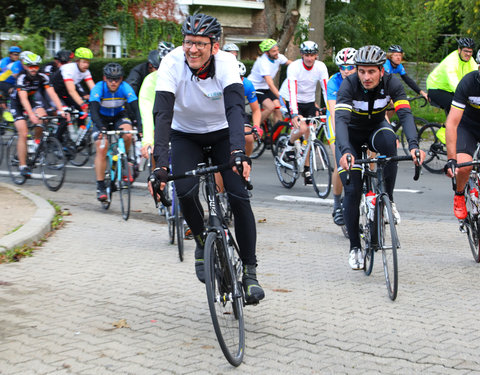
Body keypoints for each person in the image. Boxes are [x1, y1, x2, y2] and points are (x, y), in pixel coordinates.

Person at [150, 13, 264, 304]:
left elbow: (236, 109)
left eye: (201, 43)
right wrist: (159, 165)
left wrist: (239, 152)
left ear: (215, 46)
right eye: (189, 42)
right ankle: (202, 240)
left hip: (223, 133)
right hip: (185, 134)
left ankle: (250, 272)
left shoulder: (226, 64)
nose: (193, 49)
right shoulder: (172, 63)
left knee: (239, 195)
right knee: (185, 190)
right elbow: (162, 116)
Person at [335, 45, 424, 270]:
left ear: (381, 71)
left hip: (376, 128)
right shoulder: (349, 85)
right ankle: (355, 247)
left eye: (371, 72)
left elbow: (404, 114)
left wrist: (414, 146)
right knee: (353, 190)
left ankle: (389, 199)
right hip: (351, 136)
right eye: (362, 71)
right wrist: (345, 151)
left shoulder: (392, 83)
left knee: (389, 143)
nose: (366, 77)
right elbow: (342, 122)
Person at [277, 41, 329, 185]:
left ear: (316, 55)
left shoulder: (321, 67)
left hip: (309, 102)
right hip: (292, 100)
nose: (309, 58)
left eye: (312, 55)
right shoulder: (295, 67)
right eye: (306, 55)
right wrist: (294, 113)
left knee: (309, 136)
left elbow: (326, 90)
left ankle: (306, 169)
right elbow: (292, 92)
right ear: (302, 55)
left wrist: (331, 109)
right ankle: (289, 144)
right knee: (303, 128)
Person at [9, 52, 69, 177]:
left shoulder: (42, 76)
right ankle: (23, 165)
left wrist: (61, 109)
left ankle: (36, 143)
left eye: (36, 66)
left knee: (43, 118)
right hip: (17, 103)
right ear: (24, 66)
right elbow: (23, 99)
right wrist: (31, 115)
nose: (33, 69)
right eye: (30, 66)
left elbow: (52, 93)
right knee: (23, 133)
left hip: (32, 101)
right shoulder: (22, 77)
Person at [90, 63, 143, 201]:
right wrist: (101, 127)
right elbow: (93, 111)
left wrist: (141, 127)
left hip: (119, 116)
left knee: (128, 133)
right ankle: (100, 186)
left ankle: (122, 157)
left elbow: (135, 109)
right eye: (110, 79)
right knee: (102, 147)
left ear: (121, 79)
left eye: (117, 79)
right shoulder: (98, 88)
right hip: (101, 119)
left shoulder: (125, 87)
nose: (113, 82)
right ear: (104, 78)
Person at [326, 47, 357, 226]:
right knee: (341, 164)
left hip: (356, 122)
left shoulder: (362, 79)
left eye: (350, 67)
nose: (345, 71)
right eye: (342, 67)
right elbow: (333, 109)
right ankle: (337, 203)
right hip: (337, 122)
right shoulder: (334, 81)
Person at [444, 69, 480, 220]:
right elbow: (451, 123)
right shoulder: (469, 82)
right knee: (464, 165)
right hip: (467, 126)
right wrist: (452, 159)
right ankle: (459, 194)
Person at [427, 37, 478, 115]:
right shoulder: (451, 61)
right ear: (459, 50)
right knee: (458, 107)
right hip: (436, 89)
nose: (468, 54)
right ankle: (448, 126)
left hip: (451, 90)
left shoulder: (471, 61)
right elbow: (453, 83)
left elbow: (477, 77)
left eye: (470, 52)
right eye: (465, 51)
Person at [247, 38, 291, 125]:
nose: (277, 52)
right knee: (270, 107)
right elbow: (270, 83)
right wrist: (280, 96)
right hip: (254, 87)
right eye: (274, 51)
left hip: (265, 88)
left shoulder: (278, 57)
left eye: (277, 50)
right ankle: (254, 127)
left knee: (278, 108)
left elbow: (292, 64)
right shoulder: (263, 62)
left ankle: (277, 136)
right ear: (267, 53)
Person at [51, 47, 95, 117]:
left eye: (88, 62)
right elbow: (71, 90)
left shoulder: (86, 71)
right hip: (53, 92)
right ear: (77, 61)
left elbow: (94, 89)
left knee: (81, 111)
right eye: (84, 62)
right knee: (65, 115)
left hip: (64, 92)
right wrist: (82, 104)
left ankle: (81, 128)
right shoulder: (68, 69)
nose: (86, 65)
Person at [238, 61, 261, 156]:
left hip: (237, 112)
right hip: (219, 114)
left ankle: (246, 163)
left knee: (248, 138)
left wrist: (256, 126)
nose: (239, 80)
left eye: (241, 77)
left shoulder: (247, 84)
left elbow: (256, 110)